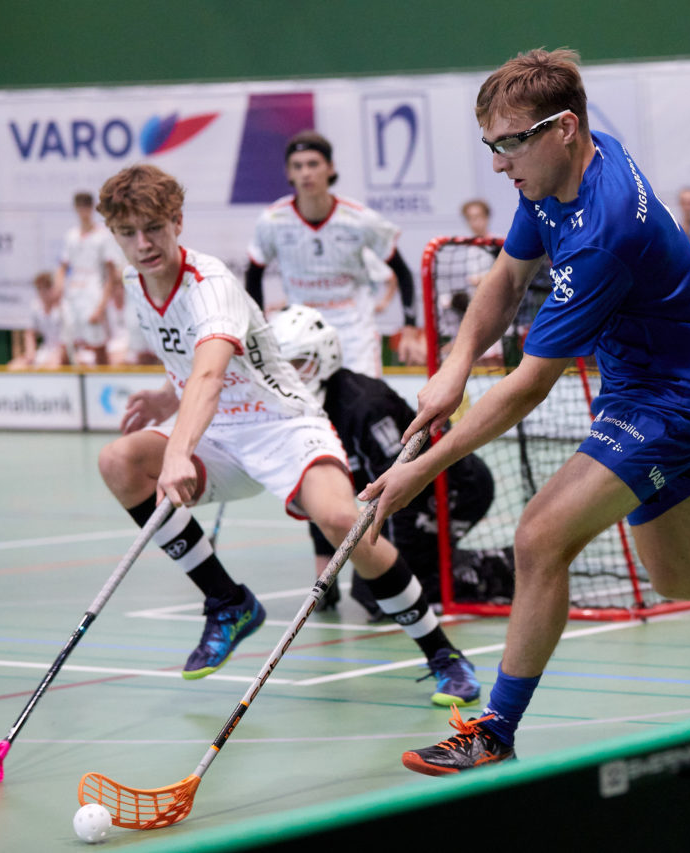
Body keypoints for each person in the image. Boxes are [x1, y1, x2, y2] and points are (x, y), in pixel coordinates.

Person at [360, 49, 690, 775]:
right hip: (641, 382)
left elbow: (527, 385)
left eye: (510, 142)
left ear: (564, 127)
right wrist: (453, 367)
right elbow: (509, 274)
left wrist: (419, 470)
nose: (499, 163)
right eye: (492, 144)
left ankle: (495, 727)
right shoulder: (559, 168)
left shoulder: (604, 230)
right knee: (682, 570)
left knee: (540, 536)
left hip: (676, 398)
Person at [93, 164, 480, 707]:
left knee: (345, 522)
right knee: (118, 462)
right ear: (114, 235)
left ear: (177, 222)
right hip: (219, 435)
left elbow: (208, 372)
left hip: (281, 425)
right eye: (128, 233)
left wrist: (179, 449)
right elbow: (187, 363)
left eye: (153, 228)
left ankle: (442, 654)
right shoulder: (137, 281)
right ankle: (228, 603)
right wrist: (165, 394)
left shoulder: (211, 286)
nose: (142, 244)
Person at [268, 305, 514, 618]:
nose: (291, 375)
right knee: (381, 583)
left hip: (453, 489)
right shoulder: (308, 413)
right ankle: (444, 561)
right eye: (283, 366)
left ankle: (497, 568)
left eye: (298, 363)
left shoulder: (365, 407)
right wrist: (323, 576)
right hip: (409, 497)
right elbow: (323, 498)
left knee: (382, 591)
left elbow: (400, 495)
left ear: (324, 355)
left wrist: (396, 568)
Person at [245, 130, 416, 379]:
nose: (306, 172)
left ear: (330, 168)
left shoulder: (360, 218)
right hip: (299, 327)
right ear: (289, 173)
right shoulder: (272, 220)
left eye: (313, 164)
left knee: (362, 405)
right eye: (298, 166)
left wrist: (410, 327)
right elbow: (253, 275)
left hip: (354, 329)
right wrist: (258, 331)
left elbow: (402, 272)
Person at [56, 191, 120, 366]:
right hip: (73, 294)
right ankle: (68, 389)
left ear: (92, 208)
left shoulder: (103, 236)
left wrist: (101, 305)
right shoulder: (71, 236)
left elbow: (111, 274)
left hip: (93, 294)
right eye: (80, 207)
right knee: (67, 345)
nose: (83, 212)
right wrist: (59, 290)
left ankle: (103, 386)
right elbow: (62, 268)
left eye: (86, 207)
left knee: (98, 344)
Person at [8, 271, 68, 369]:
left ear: (54, 289)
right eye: (39, 289)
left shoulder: (64, 308)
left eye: (46, 288)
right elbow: (30, 333)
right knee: (14, 367)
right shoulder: (36, 307)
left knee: (51, 366)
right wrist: (30, 354)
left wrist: (58, 356)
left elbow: (68, 342)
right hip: (46, 350)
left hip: (67, 351)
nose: (42, 293)